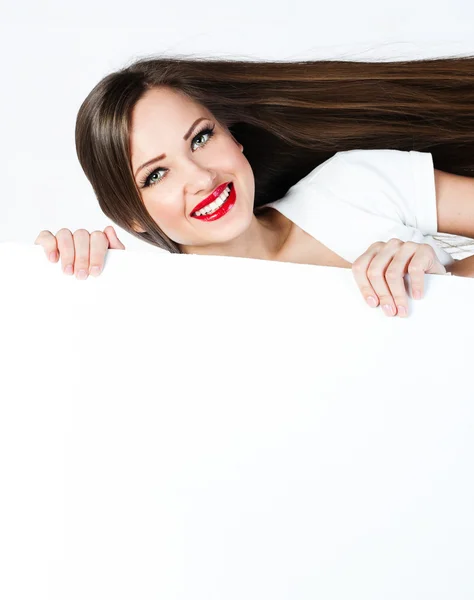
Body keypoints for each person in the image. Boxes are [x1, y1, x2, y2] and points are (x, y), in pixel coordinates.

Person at [35, 54, 474, 318]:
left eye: (201, 138)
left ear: (233, 137)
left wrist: (447, 282)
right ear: (131, 215)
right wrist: (75, 283)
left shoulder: (356, 184)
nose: (202, 179)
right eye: (156, 174)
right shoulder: (169, 315)